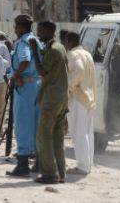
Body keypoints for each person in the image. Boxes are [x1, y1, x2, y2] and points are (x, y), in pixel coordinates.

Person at [30, 20, 69, 184]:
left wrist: (33, 52)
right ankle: (61, 173)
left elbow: (41, 71)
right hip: (61, 98)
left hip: (52, 98)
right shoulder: (59, 47)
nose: (38, 34)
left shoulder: (53, 50)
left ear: (48, 31)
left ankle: (49, 174)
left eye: (40, 31)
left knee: (44, 135)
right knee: (57, 138)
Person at [6, 14, 43, 176]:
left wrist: (14, 76)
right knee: (35, 123)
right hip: (36, 84)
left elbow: (25, 60)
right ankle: (38, 162)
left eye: (16, 27)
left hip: (24, 86)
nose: (14, 30)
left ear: (21, 27)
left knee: (22, 123)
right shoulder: (36, 41)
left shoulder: (23, 42)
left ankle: (22, 164)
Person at [65, 31, 96, 176]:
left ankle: (83, 166)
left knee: (78, 133)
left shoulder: (73, 54)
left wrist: (69, 87)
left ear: (70, 42)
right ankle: (87, 164)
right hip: (89, 98)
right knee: (87, 132)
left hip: (78, 98)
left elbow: (79, 69)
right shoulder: (87, 54)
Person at [0, 32, 12, 136]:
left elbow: (8, 64)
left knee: (0, 106)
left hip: (1, 80)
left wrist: (7, 78)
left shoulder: (2, 47)